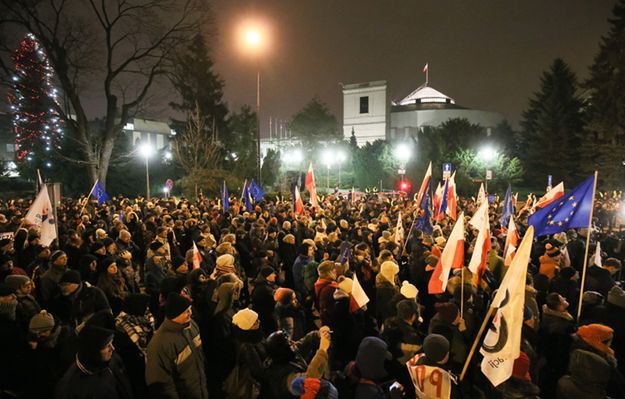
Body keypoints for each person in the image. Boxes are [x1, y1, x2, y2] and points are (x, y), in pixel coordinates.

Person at [145, 292, 208, 399]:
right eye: (185, 311)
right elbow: (161, 383)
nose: (190, 313)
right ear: (174, 314)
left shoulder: (191, 325)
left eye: (190, 309)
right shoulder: (159, 344)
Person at [55, 324, 134, 399]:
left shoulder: (112, 359)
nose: (113, 348)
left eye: (111, 342)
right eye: (107, 346)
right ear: (93, 352)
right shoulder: (69, 388)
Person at [264, 325, 331, 398]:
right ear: (283, 350)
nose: (293, 343)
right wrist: (322, 350)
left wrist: (318, 334)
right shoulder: (284, 377)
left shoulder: (284, 356)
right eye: (290, 343)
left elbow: (304, 343)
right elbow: (309, 379)